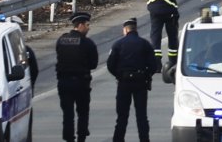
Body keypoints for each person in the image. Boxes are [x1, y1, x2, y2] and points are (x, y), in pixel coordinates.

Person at [107, 18, 161, 142]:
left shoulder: (118, 44)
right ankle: (144, 139)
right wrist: (146, 76)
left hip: (124, 83)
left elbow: (110, 65)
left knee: (122, 117)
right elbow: (153, 66)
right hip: (141, 83)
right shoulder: (145, 44)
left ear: (125, 30)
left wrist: (118, 75)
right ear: (135, 29)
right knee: (141, 116)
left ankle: (118, 139)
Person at [55, 11, 99, 142]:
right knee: (83, 112)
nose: (88, 27)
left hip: (64, 82)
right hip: (81, 83)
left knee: (67, 114)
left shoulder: (61, 40)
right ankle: (81, 137)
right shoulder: (87, 43)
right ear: (80, 25)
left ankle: (69, 138)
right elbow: (93, 64)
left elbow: (59, 56)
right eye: (87, 25)